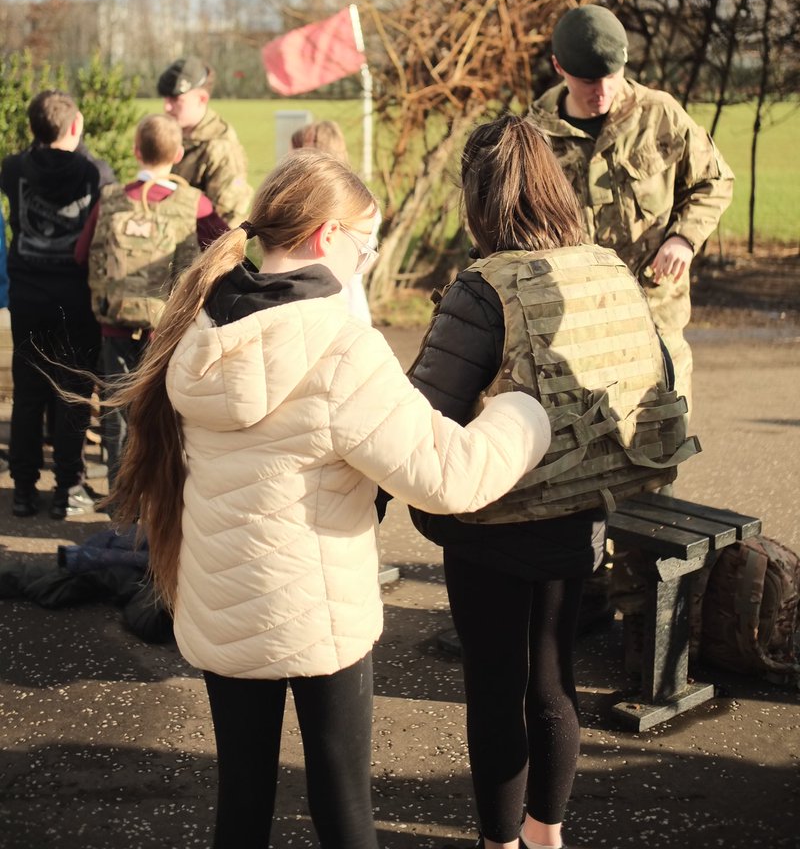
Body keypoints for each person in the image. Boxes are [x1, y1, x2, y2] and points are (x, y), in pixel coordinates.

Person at [107, 148, 552, 849]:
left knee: (242, 801)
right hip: (318, 615)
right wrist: (526, 412)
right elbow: (449, 476)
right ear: (327, 239)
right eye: (365, 248)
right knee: (343, 807)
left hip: (223, 605)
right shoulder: (343, 348)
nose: (363, 265)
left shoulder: (198, 325)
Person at [408, 114, 694, 849]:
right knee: (552, 678)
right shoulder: (603, 267)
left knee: (494, 688)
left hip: (493, 523)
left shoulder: (483, 289)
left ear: (480, 199)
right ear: (553, 186)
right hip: (583, 511)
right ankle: (546, 834)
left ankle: (500, 842)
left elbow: (419, 413)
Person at [528, 4, 734, 409]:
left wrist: (683, 238)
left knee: (659, 441)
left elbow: (715, 180)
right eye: (587, 79)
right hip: (572, 329)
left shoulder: (659, 115)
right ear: (558, 66)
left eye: (610, 75)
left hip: (654, 320)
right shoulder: (535, 136)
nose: (601, 91)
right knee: (589, 458)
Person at [74, 114, 228, 495]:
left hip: (115, 327)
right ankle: (161, 504)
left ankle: (119, 507)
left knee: (118, 418)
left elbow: (82, 254)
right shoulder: (193, 203)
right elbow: (226, 248)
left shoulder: (111, 200)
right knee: (166, 419)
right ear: (178, 154)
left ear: (135, 151)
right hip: (167, 331)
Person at [1, 90, 108, 519]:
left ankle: (23, 489)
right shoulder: (96, 172)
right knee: (73, 392)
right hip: (75, 298)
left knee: (27, 393)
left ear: (33, 129)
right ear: (76, 126)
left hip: (27, 295)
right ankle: (68, 488)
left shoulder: (11, 170)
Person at [298, 119, 379, 325]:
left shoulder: (336, 202)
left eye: (300, 149)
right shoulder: (361, 197)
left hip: (337, 306)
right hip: (348, 304)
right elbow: (368, 259)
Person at [157, 56, 253, 225]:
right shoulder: (172, 134)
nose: (167, 107)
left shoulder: (222, 149)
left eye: (176, 100)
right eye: (165, 99)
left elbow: (227, 225)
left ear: (202, 99)